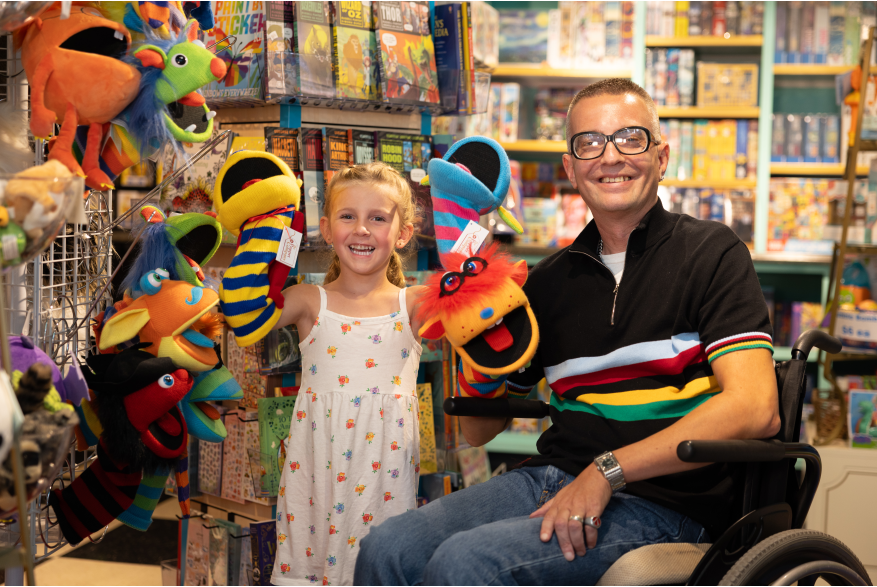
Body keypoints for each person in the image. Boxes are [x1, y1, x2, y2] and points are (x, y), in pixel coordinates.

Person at [354, 78, 780, 586]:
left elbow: (757, 407)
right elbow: (479, 431)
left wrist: (607, 471)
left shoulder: (712, 252)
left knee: (465, 562)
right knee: (387, 547)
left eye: (631, 138)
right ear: (571, 168)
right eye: (590, 143)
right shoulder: (547, 281)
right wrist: (476, 338)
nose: (611, 156)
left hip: (667, 502)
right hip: (550, 479)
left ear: (662, 156)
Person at [270, 162, 427, 586]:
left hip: (385, 479)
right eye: (347, 216)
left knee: (380, 569)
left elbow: (477, 310)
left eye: (377, 218)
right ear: (326, 228)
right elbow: (244, 315)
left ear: (403, 233)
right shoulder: (307, 301)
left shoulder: (415, 304)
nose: (361, 229)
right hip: (316, 477)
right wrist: (268, 234)